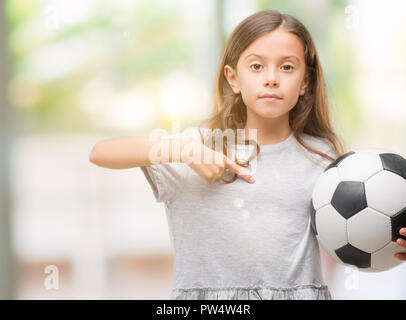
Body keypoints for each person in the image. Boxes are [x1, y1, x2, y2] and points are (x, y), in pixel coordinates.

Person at [89, 10, 406, 299]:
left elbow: (351, 239)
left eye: (286, 67)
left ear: (305, 82)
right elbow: (101, 153)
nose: (271, 77)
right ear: (233, 78)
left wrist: (391, 242)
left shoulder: (325, 160)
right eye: (256, 66)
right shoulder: (198, 147)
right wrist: (182, 149)